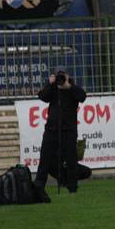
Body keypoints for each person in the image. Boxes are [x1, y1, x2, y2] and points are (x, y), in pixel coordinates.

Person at [33, 67, 87, 198]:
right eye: (59, 76)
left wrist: (68, 86)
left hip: (69, 130)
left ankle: (72, 187)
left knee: (71, 159)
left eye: (63, 76)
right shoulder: (53, 89)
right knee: (45, 158)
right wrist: (51, 84)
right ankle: (39, 185)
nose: (61, 79)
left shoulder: (72, 88)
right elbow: (42, 96)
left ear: (68, 76)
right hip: (51, 129)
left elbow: (82, 97)